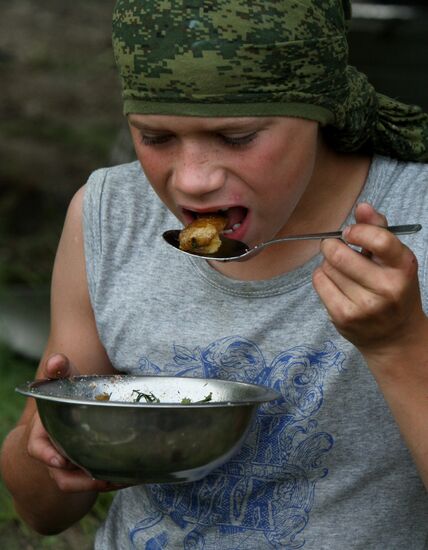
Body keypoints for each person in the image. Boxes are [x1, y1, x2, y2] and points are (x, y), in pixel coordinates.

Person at [1, 0, 428, 548]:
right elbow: (40, 512)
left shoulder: (415, 221)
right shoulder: (111, 215)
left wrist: (399, 344)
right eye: (156, 138)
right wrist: (53, 445)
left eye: (237, 137)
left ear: (318, 108)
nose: (194, 180)